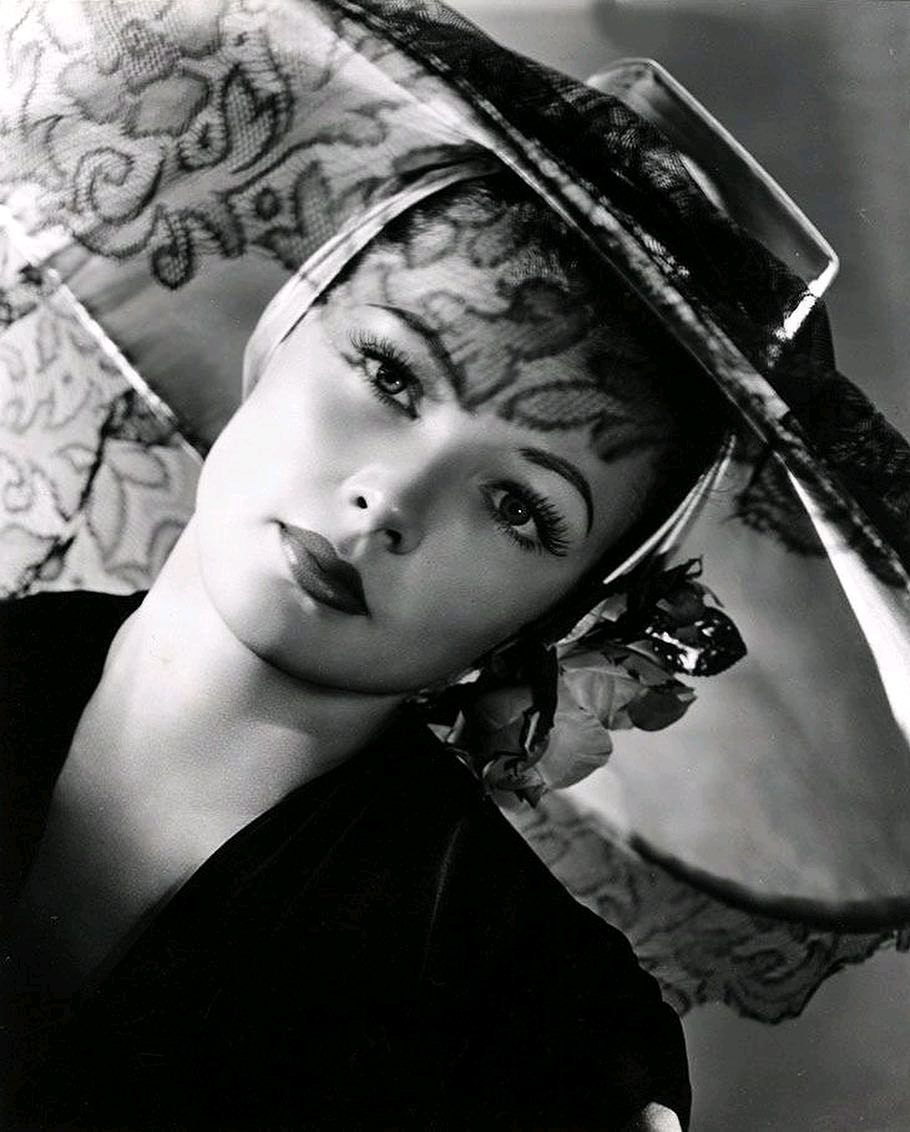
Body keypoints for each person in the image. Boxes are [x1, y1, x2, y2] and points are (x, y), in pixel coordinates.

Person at [2, 2, 910, 1130]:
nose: (391, 500)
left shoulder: (543, 1028)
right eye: (390, 374)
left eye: (520, 508)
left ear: (571, 607)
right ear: (282, 327)